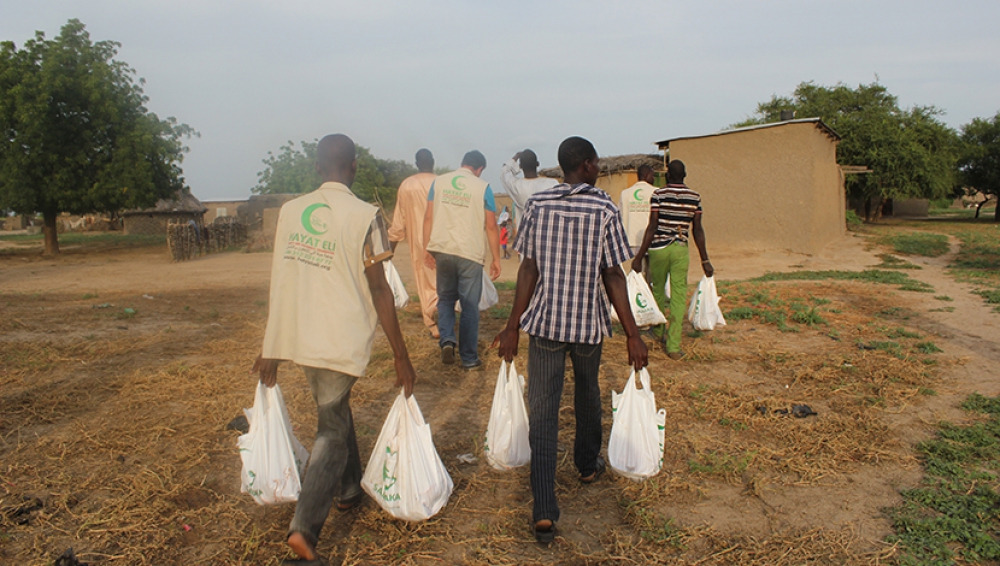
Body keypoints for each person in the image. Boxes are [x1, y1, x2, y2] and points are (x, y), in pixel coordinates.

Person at [252, 134, 416, 564]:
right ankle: (304, 531)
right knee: (331, 433)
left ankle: (347, 489)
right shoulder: (366, 216)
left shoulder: (290, 212)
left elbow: (281, 280)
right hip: (338, 338)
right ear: (355, 166)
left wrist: (273, 342)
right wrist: (401, 354)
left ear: (317, 166)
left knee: (334, 409)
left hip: (301, 337)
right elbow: (380, 287)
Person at [494, 136, 648, 544]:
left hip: (544, 326)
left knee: (543, 412)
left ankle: (544, 508)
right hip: (586, 329)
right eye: (596, 162)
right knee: (586, 396)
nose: (598, 168)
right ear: (585, 165)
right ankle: (585, 463)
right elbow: (613, 275)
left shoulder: (538, 205)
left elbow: (528, 269)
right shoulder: (602, 208)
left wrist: (513, 325)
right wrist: (634, 334)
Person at [423, 150, 502, 369]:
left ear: (462, 164)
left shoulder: (439, 183)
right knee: (469, 306)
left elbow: (428, 216)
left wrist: (427, 248)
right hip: (469, 253)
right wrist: (496, 258)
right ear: (479, 169)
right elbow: (491, 225)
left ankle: (447, 339)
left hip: (443, 249)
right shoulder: (482, 187)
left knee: (446, 299)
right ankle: (468, 358)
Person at [632, 159, 714, 360]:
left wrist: (640, 255)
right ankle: (674, 346)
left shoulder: (658, 194)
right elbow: (698, 230)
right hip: (680, 249)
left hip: (659, 250)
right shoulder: (694, 197)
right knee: (678, 295)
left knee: (658, 290)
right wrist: (705, 260)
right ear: (684, 176)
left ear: (667, 176)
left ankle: (658, 331)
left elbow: (652, 227)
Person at [388, 148, 440, 338]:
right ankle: (443, 312)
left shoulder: (407, 185)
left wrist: (389, 251)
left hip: (418, 243)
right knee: (442, 280)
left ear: (416, 164)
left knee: (423, 279)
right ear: (433, 161)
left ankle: (433, 323)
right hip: (442, 240)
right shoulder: (441, 183)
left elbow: (399, 221)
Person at [499, 149, 558, 229]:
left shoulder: (516, 186)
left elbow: (504, 173)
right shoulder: (552, 184)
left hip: (525, 238)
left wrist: (515, 157)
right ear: (537, 164)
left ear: (520, 166)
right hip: (547, 234)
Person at [619, 164, 658, 254]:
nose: (654, 178)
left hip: (630, 242)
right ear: (646, 175)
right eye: (652, 176)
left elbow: (619, 218)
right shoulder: (656, 192)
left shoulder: (625, 194)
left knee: (633, 267)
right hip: (651, 242)